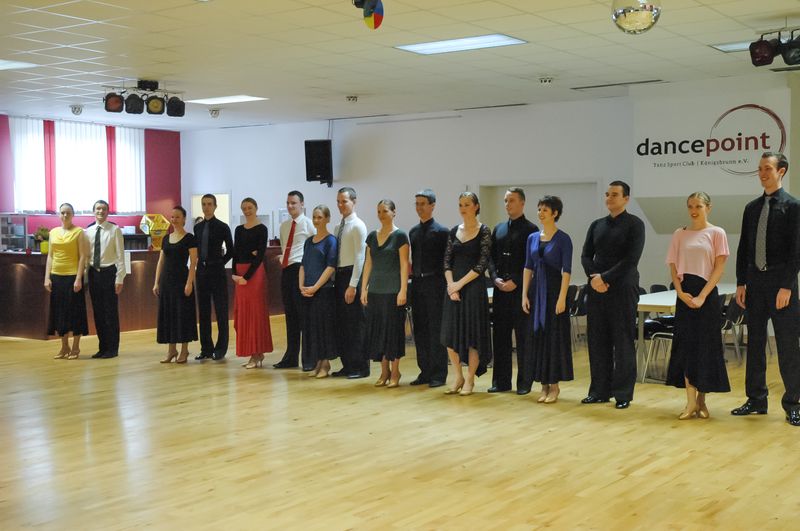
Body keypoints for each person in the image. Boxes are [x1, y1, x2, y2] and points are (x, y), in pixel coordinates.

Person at [732, 152, 800, 427]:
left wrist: (786, 286)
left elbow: (796, 251)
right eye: (760, 168)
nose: (762, 173)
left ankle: (793, 403)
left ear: (781, 171)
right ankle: (756, 400)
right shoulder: (751, 208)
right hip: (755, 284)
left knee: (787, 346)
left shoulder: (794, 207)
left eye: (767, 168)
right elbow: (744, 248)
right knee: (756, 343)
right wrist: (741, 282)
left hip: (781, 285)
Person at [665, 192, 730, 420]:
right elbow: (673, 267)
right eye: (690, 206)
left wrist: (702, 296)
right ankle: (690, 402)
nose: (694, 211)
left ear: (708, 208)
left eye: (698, 206)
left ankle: (701, 400)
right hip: (685, 294)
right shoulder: (679, 234)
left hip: (707, 295)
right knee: (686, 347)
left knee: (705, 348)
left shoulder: (717, 233)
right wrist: (680, 292)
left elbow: (719, 268)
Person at [580, 181, 645, 409]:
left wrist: (605, 278)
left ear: (626, 198)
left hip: (623, 289)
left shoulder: (635, 224)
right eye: (607, 194)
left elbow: (631, 259)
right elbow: (586, 255)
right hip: (597, 289)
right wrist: (594, 278)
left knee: (623, 341)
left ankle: (623, 394)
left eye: (615, 194)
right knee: (597, 341)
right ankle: (599, 391)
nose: (609, 198)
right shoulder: (596, 225)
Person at [522, 196, 573, 403]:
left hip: (554, 291)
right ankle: (542, 385)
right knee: (538, 337)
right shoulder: (532, 238)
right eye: (539, 209)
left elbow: (566, 271)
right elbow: (528, 267)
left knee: (553, 338)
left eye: (545, 210)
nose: (541, 213)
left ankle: (554, 385)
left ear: (555, 213)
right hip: (536, 292)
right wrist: (524, 294)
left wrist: (562, 298)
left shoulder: (563, 239)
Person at [441, 192, 493, 396]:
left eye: (467, 204)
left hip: (473, 288)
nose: (463, 208)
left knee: (473, 336)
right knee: (449, 334)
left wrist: (459, 285)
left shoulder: (484, 231)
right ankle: (458, 376)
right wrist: (451, 286)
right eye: (460, 205)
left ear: (476, 206)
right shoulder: (454, 231)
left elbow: (482, 264)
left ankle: (470, 378)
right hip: (453, 288)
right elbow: (447, 261)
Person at [489, 187, 538, 395]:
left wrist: (516, 281)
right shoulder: (498, 229)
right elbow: (490, 258)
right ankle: (501, 382)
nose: (507, 204)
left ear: (522, 203)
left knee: (523, 337)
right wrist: (494, 278)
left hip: (521, 291)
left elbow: (532, 261)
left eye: (511, 200)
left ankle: (525, 383)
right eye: (506, 201)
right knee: (500, 336)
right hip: (500, 290)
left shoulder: (532, 230)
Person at [361, 200, 410, 388]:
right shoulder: (372, 236)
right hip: (375, 291)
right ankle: (384, 371)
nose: (381, 215)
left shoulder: (400, 236)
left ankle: (395, 371)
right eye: (379, 211)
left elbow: (404, 264)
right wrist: (364, 288)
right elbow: (368, 263)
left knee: (393, 332)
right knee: (378, 332)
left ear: (394, 212)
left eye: (385, 211)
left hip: (393, 291)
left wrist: (403, 290)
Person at [408, 189, 449, 388]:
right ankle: (424, 371)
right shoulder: (413, 232)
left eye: (423, 203)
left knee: (435, 329)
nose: (419, 207)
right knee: (420, 329)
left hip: (435, 284)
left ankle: (439, 374)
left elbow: (446, 262)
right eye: (417, 204)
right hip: (417, 284)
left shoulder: (442, 232)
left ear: (432, 205)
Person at [274, 191, 316, 370]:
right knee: (290, 316)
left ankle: (309, 359)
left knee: (304, 316)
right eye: (288, 203)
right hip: (287, 271)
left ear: (302, 204)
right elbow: (285, 247)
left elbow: (315, 246)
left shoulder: (309, 224)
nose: (290, 206)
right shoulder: (284, 226)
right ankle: (291, 357)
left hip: (301, 271)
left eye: (294, 203)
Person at [332, 187, 369, 379]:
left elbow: (360, 257)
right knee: (343, 324)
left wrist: (353, 285)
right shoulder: (338, 227)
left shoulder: (358, 225)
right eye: (338, 201)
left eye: (344, 201)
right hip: (340, 276)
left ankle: (361, 366)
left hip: (352, 275)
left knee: (355, 324)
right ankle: (347, 364)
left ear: (354, 202)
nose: (340, 205)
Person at [231, 197, 273, 369]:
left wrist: (246, 277)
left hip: (254, 275)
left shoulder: (262, 229)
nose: (247, 211)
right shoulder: (238, 229)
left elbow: (260, 255)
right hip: (240, 274)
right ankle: (253, 353)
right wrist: (234, 274)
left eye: (249, 207)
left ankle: (256, 354)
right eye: (244, 208)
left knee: (255, 314)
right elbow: (236, 252)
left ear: (256, 208)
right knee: (243, 314)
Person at [153, 206, 198, 363]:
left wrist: (189, 283)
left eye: (178, 217)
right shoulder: (166, 238)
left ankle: (184, 350)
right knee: (169, 315)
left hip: (181, 280)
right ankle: (171, 350)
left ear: (184, 219)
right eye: (172, 217)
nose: (174, 220)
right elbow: (161, 261)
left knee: (182, 315)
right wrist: (156, 282)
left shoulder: (190, 238)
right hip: (166, 281)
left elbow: (193, 262)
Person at [45, 202, 89, 359]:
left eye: (68, 213)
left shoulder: (79, 232)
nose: (65, 215)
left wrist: (78, 278)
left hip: (72, 276)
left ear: (73, 215)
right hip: (56, 276)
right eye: (62, 212)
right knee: (60, 313)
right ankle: (64, 347)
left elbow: (83, 256)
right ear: (59, 214)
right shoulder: (53, 232)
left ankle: (76, 347)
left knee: (75, 312)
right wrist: (47, 277)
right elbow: (50, 256)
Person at [193, 193, 233, 361]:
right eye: (204, 204)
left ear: (215, 206)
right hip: (201, 272)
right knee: (203, 312)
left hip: (217, 272)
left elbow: (231, 250)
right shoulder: (197, 228)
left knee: (221, 311)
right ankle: (206, 349)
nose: (206, 207)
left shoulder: (223, 227)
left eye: (209, 204)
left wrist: (220, 263)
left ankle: (221, 349)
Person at [299, 205, 338, 378]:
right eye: (314, 217)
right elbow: (303, 265)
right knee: (312, 328)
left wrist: (315, 287)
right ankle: (317, 362)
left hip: (323, 291)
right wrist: (301, 285)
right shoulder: (309, 241)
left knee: (323, 328)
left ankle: (325, 363)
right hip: (307, 291)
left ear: (327, 219)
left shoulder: (331, 241)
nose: (316, 220)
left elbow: (330, 267)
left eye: (320, 217)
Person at [85, 199, 125, 359]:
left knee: (110, 312)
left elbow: (120, 255)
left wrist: (119, 278)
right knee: (98, 312)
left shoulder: (114, 230)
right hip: (93, 274)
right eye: (98, 209)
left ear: (108, 212)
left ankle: (112, 349)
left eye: (103, 209)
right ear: (93, 211)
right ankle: (102, 347)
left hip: (109, 273)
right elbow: (86, 256)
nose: (100, 211)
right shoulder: (88, 231)